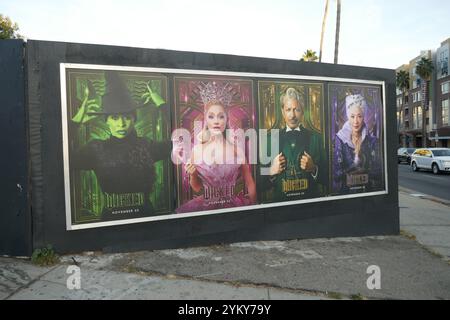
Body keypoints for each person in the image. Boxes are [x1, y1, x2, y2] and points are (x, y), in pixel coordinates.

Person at [71, 71, 171, 220]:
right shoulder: (96, 149)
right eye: (115, 117)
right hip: (109, 222)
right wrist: (76, 121)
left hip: (145, 219)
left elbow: (183, 142)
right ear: (107, 120)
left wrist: (162, 105)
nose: (121, 124)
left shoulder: (146, 145)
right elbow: (59, 158)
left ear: (134, 119)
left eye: (127, 117)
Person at [176, 82, 257, 213]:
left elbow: (250, 183)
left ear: (226, 119)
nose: (216, 121)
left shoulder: (237, 150)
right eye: (211, 116)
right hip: (206, 206)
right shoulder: (197, 150)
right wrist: (193, 175)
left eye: (221, 116)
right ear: (206, 120)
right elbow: (196, 188)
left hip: (234, 206)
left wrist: (255, 208)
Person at [264, 87, 325, 201]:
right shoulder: (270, 139)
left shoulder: (316, 139)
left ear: (302, 111)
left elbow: (328, 178)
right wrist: (271, 172)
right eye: (288, 110)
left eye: (296, 109)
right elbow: (260, 186)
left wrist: (314, 169)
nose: (292, 115)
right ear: (282, 112)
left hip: (309, 205)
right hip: (280, 206)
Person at [333, 94, 382, 193]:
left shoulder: (372, 141)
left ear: (364, 116)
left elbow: (378, 172)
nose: (356, 121)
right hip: (346, 193)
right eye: (352, 116)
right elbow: (336, 175)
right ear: (348, 117)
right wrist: (355, 169)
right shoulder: (340, 139)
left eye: (359, 116)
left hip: (367, 193)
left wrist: (364, 172)